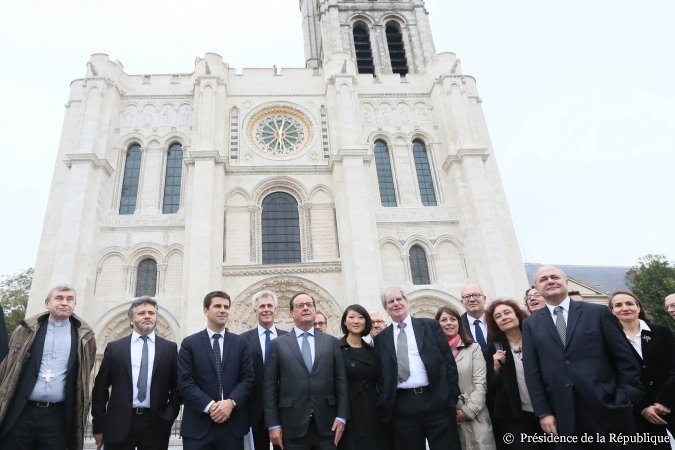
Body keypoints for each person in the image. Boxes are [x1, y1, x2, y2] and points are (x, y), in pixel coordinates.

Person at [523, 265, 644, 448]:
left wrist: (626, 397)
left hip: (609, 410)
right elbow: (532, 372)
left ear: (566, 282)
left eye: (554, 276)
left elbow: (625, 359)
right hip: (563, 417)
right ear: (537, 288)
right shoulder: (530, 324)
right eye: (543, 279)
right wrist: (543, 412)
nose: (550, 281)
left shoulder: (598, 313)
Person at [0, 285, 96, 450]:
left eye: (69, 299)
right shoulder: (25, 330)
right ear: (47, 303)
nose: (64, 303)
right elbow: (8, 367)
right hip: (22, 412)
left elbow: (85, 370)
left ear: (74, 305)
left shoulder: (85, 336)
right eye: (59, 298)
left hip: (57, 417)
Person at [374, 286, 460, 450]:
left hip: (436, 400)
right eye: (391, 301)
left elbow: (448, 362)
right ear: (386, 308)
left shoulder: (430, 326)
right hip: (402, 406)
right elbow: (380, 376)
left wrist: (450, 398)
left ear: (406, 302)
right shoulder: (381, 339)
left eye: (399, 299)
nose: (396, 304)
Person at [91, 296, 180, 450]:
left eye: (151, 313)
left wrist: (169, 415)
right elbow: (100, 390)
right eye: (141, 313)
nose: (147, 316)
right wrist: (98, 425)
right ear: (131, 320)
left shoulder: (169, 349)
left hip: (156, 425)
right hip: (118, 424)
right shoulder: (115, 348)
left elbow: (178, 387)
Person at [264, 292, 349, 450]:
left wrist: (342, 417)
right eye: (300, 305)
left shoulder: (331, 342)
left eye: (309, 305)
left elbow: (341, 382)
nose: (305, 308)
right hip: (291, 427)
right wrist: (273, 424)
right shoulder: (278, 344)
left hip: (327, 425)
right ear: (291, 313)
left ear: (315, 310)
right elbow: (269, 388)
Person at [178, 291, 254, 450]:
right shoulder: (189, 344)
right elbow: (185, 381)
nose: (223, 310)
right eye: (217, 306)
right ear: (206, 311)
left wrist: (230, 402)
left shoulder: (241, 343)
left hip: (232, 426)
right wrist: (210, 406)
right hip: (198, 426)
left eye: (226, 307)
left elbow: (248, 378)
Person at [608, 291, 675, 449]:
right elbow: (613, 377)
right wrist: (642, 406)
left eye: (630, 303)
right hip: (637, 413)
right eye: (618, 305)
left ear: (638, 308)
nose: (625, 308)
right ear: (611, 312)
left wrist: (664, 400)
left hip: (670, 403)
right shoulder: (609, 341)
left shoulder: (662, 333)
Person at [485, 300, 548, 450]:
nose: (504, 317)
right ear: (495, 323)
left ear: (517, 315)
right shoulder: (494, 347)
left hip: (547, 409)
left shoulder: (537, 338)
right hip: (515, 416)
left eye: (507, 313)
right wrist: (495, 367)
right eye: (498, 316)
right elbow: (489, 386)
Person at [435, 306, 495, 450]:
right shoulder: (433, 352)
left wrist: (467, 411)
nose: (448, 323)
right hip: (447, 419)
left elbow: (481, 383)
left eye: (453, 319)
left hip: (475, 414)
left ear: (459, 323)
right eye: (443, 320)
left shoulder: (473, 348)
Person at [240, 290, 288, 450]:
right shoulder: (242, 340)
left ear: (275, 310)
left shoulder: (289, 338)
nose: (266, 309)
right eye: (261, 306)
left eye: (269, 306)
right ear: (255, 311)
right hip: (254, 411)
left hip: (284, 409)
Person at [338, 304, 385, 450]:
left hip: (372, 410)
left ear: (366, 322)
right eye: (351, 317)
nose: (356, 321)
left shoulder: (372, 350)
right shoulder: (335, 349)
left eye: (360, 317)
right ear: (345, 322)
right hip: (348, 412)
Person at [460, 284, 489, 351]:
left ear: (484, 299)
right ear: (462, 302)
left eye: (476, 295)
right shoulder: (458, 326)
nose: (472, 299)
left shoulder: (496, 320)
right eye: (467, 296)